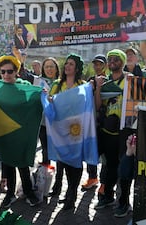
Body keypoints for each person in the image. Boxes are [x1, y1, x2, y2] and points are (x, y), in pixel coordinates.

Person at [0, 55, 41, 208]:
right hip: (5, 135)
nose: (6, 75)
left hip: (21, 135)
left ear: (16, 72)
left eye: (10, 71)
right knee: (8, 166)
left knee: (22, 165)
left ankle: (28, 192)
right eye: (3, 72)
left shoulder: (25, 87)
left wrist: (42, 95)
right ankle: (10, 194)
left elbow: (35, 103)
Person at [93, 49, 133, 218]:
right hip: (108, 131)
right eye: (110, 59)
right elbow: (97, 106)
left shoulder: (130, 80)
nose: (112, 62)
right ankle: (108, 196)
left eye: (116, 59)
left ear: (122, 62)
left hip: (125, 132)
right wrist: (98, 88)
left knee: (125, 169)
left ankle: (124, 201)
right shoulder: (106, 82)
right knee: (109, 166)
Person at [48, 53, 86, 210]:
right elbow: (50, 103)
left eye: (71, 64)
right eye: (66, 63)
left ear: (77, 68)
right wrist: (50, 100)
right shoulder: (57, 84)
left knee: (75, 164)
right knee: (63, 162)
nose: (67, 66)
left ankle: (72, 194)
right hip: (61, 131)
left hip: (77, 130)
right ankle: (68, 194)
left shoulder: (82, 85)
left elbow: (85, 105)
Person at [80, 54, 108, 191]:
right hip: (92, 122)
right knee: (91, 151)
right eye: (95, 64)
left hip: (107, 123)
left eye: (100, 64)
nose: (97, 67)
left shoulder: (109, 80)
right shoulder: (91, 80)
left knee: (105, 155)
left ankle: (104, 182)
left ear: (106, 65)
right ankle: (92, 177)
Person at [39, 57, 60, 166]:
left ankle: (59, 178)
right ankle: (45, 175)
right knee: (45, 150)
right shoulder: (38, 82)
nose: (49, 69)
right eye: (46, 67)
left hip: (59, 122)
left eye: (51, 66)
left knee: (60, 151)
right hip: (43, 122)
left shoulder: (62, 83)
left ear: (56, 69)